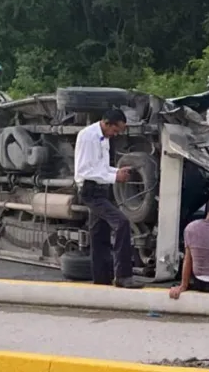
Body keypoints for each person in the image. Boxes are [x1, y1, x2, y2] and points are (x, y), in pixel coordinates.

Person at [74, 108, 142, 289]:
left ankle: (102, 278)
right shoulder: (89, 137)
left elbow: (101, 168)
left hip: (100, 188)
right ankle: (123, 275)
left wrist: (116, 172)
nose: (116, 134)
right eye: (115, 130)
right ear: (107, 123)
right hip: (91, 190)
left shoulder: (103, 138)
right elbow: (85, 171)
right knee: (122, 223)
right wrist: (114, 177)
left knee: (99, 234)